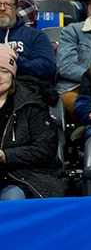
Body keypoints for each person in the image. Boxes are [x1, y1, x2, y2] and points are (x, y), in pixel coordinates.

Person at [0, 43, 64, 201]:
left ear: (13, 75)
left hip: (26, 177)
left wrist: (5, 156)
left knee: (12, 198)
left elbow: (45, 149)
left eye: (4, 71)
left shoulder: (32, 103)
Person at [0, 0, 56, 82]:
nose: (2, 8)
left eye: (7, 5)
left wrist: (15, 59)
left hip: (26, 88)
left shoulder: (35, 35)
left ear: (16, 9)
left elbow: (47, 69)